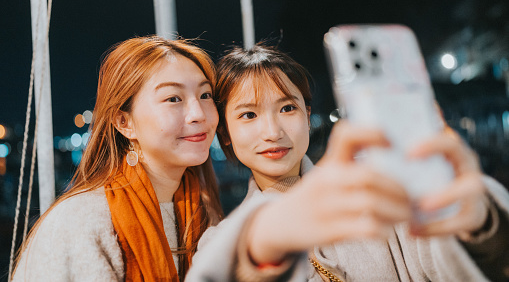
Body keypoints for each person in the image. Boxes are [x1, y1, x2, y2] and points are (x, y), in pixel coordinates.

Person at [187, 44, 509, 282]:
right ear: (225, 134)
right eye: (248, 115)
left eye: (287, 108)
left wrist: (477, 220)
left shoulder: (374, 187)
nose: (272, 132)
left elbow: (446, 261)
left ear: (307, 115)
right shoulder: (226, 245)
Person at [11, 36, 223, 281]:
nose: (198, 114)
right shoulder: (80, 223)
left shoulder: (204, 211)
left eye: (205, 95)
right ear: (124, 122)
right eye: (173, 98)